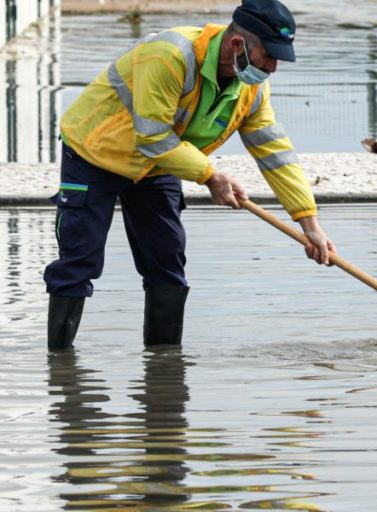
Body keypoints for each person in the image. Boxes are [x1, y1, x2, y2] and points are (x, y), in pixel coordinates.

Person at [44, 0, 336, 350]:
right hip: (94, 153)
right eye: (269, 55)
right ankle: (61, 378)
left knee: (167, 264)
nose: (273, 67)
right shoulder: (169, 55)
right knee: (79, 261)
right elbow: (152, 136)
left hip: (158, 164)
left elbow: (275, 154)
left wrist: (309, 223)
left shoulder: (252, 89)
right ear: (237, 45)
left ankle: (164, 375)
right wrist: (211, 176)